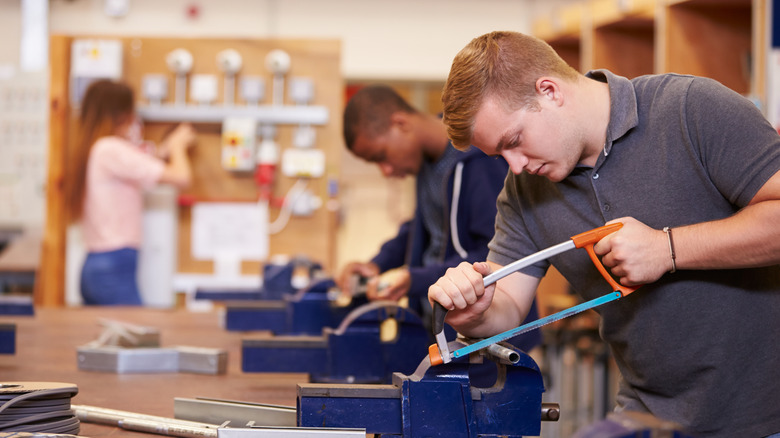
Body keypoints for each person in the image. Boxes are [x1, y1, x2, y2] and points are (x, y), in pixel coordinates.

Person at [428, 30, 780, 438]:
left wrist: (668, 249)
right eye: (500, 155)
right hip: (651, 416)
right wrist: (477, 312)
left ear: (549, 91)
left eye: (515, 142)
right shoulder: (523, 192)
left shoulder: (691, 109)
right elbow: (507, 302)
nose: (516, 166)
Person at [338, 85, 541, 352]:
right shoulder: (429, 164)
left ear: (400, 124)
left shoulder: (479, 161)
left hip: (492, 344)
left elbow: (494, 254)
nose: (386, 171)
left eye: (381, 157)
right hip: (445, 332)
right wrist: (377, 265)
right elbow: (421, 228)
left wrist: (414, 279)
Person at [69, 79, 196, 305]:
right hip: (113, 266)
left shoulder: (98, 149)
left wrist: (166, 150)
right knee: (138, 338)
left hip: (99, 264)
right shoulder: (110, 148)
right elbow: (181, 177)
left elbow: (146, 162)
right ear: (122, 114)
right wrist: (178, 146)